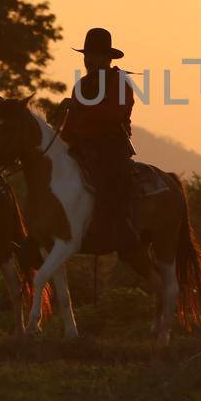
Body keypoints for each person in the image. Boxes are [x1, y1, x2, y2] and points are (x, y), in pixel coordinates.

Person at [56, 27, 139, 251]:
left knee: (109, 182)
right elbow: (70, 128)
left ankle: (118, 228)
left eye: (94, 55)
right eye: (87, 55)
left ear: (106, 58)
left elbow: (113, 114)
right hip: (82, 147)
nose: (89, 60)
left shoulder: (120, 83)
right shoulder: (81, 86)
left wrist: (79, 106)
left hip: (111, 147)